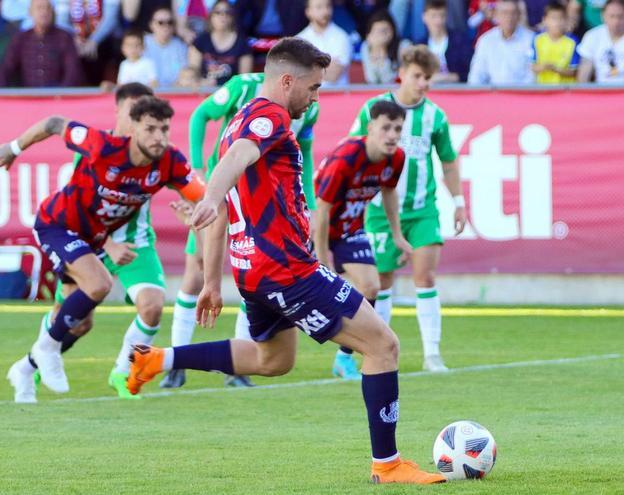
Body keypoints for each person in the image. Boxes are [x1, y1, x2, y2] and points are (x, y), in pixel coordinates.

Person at [126, 37, 445, 485]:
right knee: (383, 345)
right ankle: (388, 465)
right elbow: (233, 168)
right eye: (313, 88)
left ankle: (158, 360)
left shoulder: (237, 121)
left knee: (272, 360)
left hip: (251, 268)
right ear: (288, 80)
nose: (315, 98)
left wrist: (214, 281)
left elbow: (228, 197)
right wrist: (211, 198)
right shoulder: (268, 116)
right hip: (287, 268)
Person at [0, 96, 205, 395]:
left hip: (94, 238)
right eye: (151, 129)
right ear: (134, 128)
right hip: (57, 224)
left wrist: (198, 212)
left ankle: (25, 368)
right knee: (98, 284)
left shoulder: (170, 162)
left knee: (82, 323)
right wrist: (13, 149)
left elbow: (204, 197)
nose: (159, 138)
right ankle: (46, 349)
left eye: (164, 129)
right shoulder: (101, 146)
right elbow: (52, 123)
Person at [162, 70, 321, 388]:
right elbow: (200, 115)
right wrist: (196, 167)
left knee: (253, 270)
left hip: (264, 204)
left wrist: (311, 206)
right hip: (222, 193)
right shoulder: (244, 86)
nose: (313, 91)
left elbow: (304, 154)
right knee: (197, 272)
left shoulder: (309, 104)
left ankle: (236, 369)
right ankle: (175, 361)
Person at [350, 45, 467, 373]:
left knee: (425, 275)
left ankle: (432, 354)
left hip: (421, 209)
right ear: (403, 72)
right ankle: (379, 349)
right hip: (378, 210)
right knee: (381, 281)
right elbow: (353, 151)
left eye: (428, 78)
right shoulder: (374, 108)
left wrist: (459, 203)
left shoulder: (435, 116)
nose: (423, 83)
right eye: (418, 76)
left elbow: (448, 162)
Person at [313, 101, 412, 380]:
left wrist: (397, 235)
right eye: (386, 128)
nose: (392, 135)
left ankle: (344, 359)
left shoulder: (396, 158)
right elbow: (321, 211)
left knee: (371, 286)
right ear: (370, 128)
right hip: (311, 227)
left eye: (398, 129)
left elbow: (389, 193)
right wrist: (323, 264)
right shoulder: (346, 158)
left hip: (349, 229)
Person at [0, 0, 84, 88]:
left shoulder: (64, 38)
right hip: (29, 98)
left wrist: (61, 95)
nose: (44, 12)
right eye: (39, 8)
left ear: (53, 13)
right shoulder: (21, 39)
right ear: (30, 12)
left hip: (57, 97)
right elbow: (6, 67)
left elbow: (73, 72)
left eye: (47, 8)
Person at [468, 0, 536, 84]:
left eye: (513, 13)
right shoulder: (486, 40)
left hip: (523, 94)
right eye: (505, 13)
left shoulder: (531, 39)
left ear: (519, 15)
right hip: (493, 94)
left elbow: (533, 75)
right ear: (496, 15)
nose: (509, 17)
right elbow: (476, 75)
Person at [188, 0, 253, 87]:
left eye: (227, 12)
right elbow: (192, 75)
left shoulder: (242, 44)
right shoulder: (200, 41)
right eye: (218, 12)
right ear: (211, 16)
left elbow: (245, 79)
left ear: (232, 17)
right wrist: (203, 82)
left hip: (232, 94)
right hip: (204, 93)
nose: (223, 16)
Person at [296, 0, 352, 86]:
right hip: (308, 98)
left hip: (338, 96)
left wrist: (308, 68)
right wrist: (325, 66)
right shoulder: (299, 40)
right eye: (319, 7)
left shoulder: (342, 37)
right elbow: (298, 75)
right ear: (308, 12)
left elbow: (334, 75)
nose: (325, 11)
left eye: (328, 6)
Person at [415, 0, 474, 83]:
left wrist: (441, 78)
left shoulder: (460, 41)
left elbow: (470, 72)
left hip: (456, 92)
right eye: (433, 16)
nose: (438, 21)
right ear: (424, 17)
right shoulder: (419, 46)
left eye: (442, 15)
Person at [576, 0, 624, 83]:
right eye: (612, 16)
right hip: (601, 91)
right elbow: (584, 74)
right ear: (603, 16)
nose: (616, 21)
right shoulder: (592, 36)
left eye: (620, 16)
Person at [532, 2, 580, 83]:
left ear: (566, 20)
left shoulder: (573, 42)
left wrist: (555, 69)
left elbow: (574, 71)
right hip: (542, 89)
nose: (557, 23)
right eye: (553, 18)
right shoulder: (537, 39)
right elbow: (532, 66)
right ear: (544, 20)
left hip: (565, 91)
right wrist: (544, 67)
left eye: (560, 18)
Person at [143, 7, 189, 87]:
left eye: (170, 22)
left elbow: (185, 73)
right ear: (151, 25)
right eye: (160, 22)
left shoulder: (181, 46)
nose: (166, 25)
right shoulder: (141, 43)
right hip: (146, 93)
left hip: (174, 93)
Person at [360, 11, 408, 84]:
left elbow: (390, 81)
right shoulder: (366, 47)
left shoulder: (404, 46)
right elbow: (371, 80)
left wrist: (382, 50)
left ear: (393, 31)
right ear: (369, 35)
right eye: (378, 31)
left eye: (385, 31)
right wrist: (375, 50)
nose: (381, 35)